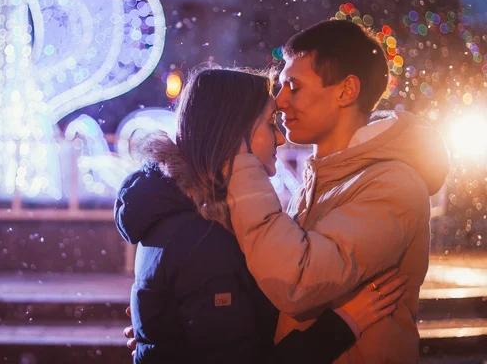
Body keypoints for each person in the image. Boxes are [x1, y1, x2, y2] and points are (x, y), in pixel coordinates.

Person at [115, 68, 408, 364]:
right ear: (232, 135)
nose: (280, 138)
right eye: (270, 124)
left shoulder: (188, 213)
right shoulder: (203, 239)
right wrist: (344, 325)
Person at [227, 20, 450, 363]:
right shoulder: (325, 177)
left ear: (346, 91)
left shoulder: (393, 185)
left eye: (293, 86)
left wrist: (240, 165)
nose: (280, 100)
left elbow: (296, 281)